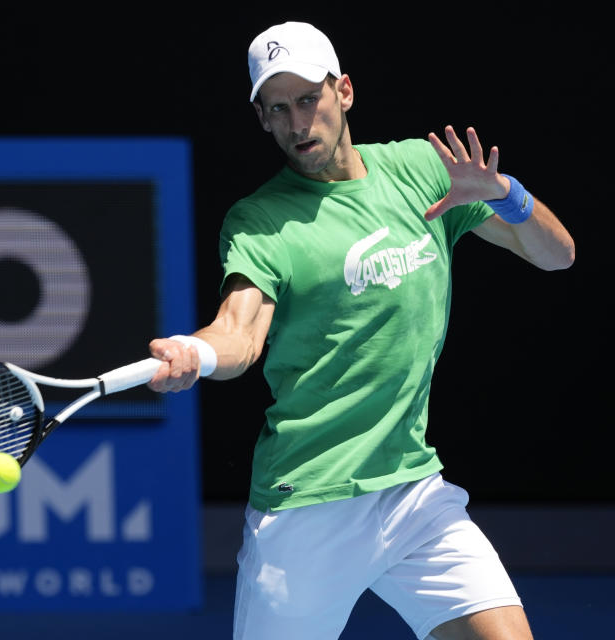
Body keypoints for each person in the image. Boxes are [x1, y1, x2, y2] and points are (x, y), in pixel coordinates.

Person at [148, 21, 575, 640]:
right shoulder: (261, 221)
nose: (297, 125)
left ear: (343, 91)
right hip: (306, 505)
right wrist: (194, 351)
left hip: (413, 491)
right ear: (262, 119)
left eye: (307, 100)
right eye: (277, 109)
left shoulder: (424, 172)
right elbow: (238, 336)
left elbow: (557, 255)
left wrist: (507, 194)